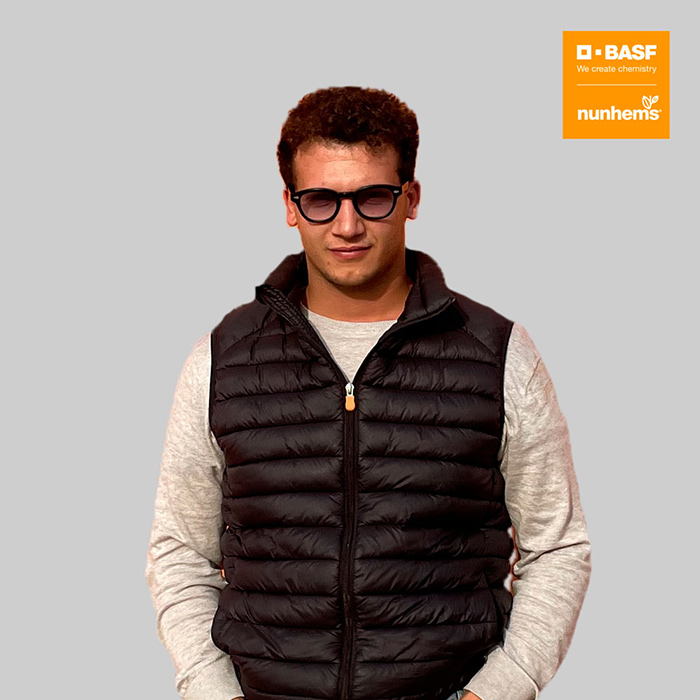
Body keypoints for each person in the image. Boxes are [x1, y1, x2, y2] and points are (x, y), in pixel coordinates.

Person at [146, 86, 591, 700]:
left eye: (372, 197)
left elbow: (557, 547)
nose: (347, 225)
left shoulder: (498, 354)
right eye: (321, 200)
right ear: (290, 206)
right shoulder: (222, 360)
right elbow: (180, 553)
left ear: (411, 198)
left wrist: (492, 694)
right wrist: (213, 692)